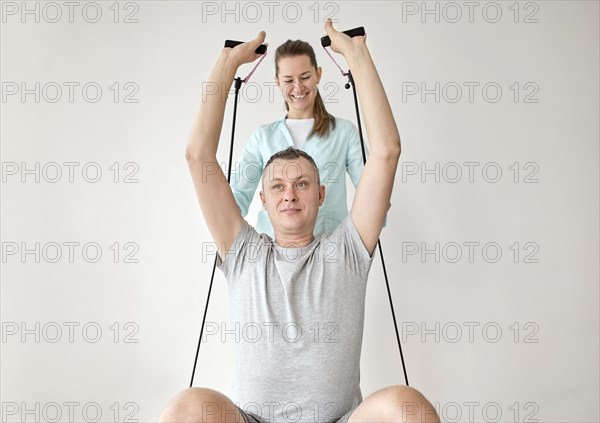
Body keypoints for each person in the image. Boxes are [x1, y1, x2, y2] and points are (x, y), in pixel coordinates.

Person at [161, 19, 440, 423]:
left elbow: (386, 151)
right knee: (184, 409)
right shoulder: (243, 253)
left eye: (302, 183)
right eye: (278, 186)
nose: (290, 192)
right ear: (263, 199)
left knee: (407, 407)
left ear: (322, 194)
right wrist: (228, 63)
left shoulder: (347, 250)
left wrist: (358, 56)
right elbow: (198, 155)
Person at [231, 38, 365, 239]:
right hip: (272, 253)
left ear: (318, 74)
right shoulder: (263, 137)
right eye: (288, 80)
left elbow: (370, 188)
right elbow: (237, 197)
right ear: (277, 81)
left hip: (329, 251)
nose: (298, 87)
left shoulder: (344, 132)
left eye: (304, 77)